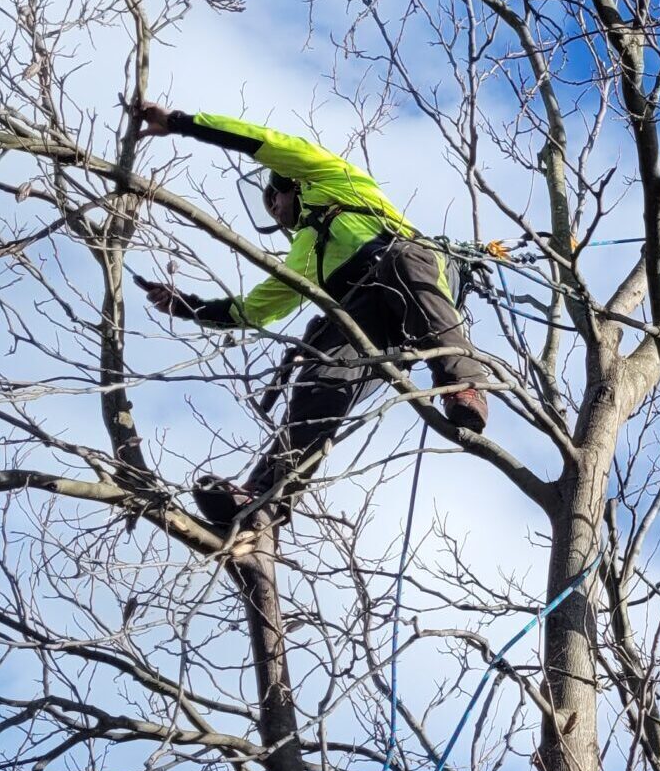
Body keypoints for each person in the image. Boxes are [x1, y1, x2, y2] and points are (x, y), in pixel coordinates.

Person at [131, 104, 491, 533]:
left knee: (400, 264)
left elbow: (264, 142)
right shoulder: (304, 251)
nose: (274, 210)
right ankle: (262, 500)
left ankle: (464, 383)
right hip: (365, 317)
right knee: (320, 373)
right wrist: (188, 306)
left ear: (291, 185)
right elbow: (258, 306)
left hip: (406, 270)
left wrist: (180, 123)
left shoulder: (333, 179)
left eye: (274, 199)